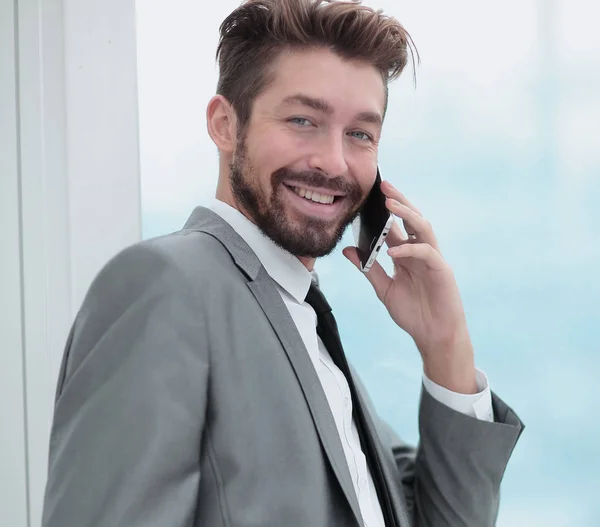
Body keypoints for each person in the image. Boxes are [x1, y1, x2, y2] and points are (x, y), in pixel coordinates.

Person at [42, 0, 524, 526]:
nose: (334, 162)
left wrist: (445, 346)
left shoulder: (314, 342)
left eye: (360, 134)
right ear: (225, 124)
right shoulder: (165, 285)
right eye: (303, 120)